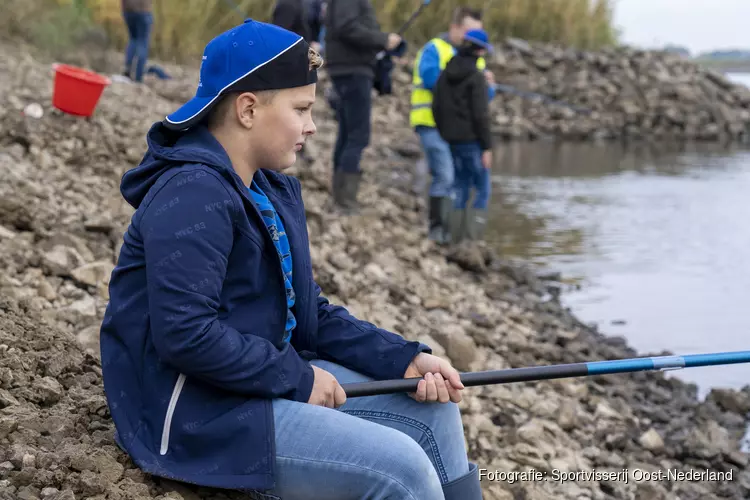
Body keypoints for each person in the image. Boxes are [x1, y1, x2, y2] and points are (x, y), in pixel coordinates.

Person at [100, 18, 482, 500]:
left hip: (250, 382)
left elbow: (310, 313)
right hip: (193, 412)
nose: (312, 125)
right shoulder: (193, 191)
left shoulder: (265, 187)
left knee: (434, 408)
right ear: (248, 109)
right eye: (301, 108)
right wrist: (298, 379)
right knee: (402, 470)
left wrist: (403, 358)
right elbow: (186, 335)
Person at [410, 7, 496, 244]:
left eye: (477, 32)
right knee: (446, 176)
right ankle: (439, 231)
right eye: (469, 30)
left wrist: (488, 86)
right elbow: (432, 82)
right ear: (455, 27)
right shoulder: (434, 49)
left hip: (458, 132)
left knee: (458, 180)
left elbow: (480, 99)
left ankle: (454, 235)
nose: (471, 36)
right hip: (429, 124)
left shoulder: (475, 61)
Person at [324, 0, 403, 214]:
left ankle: (339, 196)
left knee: (347, 132)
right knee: (358, 135)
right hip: (352, 71)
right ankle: (345, 202)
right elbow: (347, 28)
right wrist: (383, 39)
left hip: (348, 69)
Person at [432, 29, 494, 244]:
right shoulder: (476, 77)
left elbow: (436, 106)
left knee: (459, 187)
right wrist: (487, 147)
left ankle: (454, 240)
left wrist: (445, 133)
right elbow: (481, 115)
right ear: (480, 50)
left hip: (451, 140)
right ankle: (472, 242)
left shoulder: (445, 72)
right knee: (482, 188)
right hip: (473, 142)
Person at [121, 0, 153, 83]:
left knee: (133, 39)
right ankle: (138, 76)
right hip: (143, 9)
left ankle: (128, 69)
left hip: (128, 10)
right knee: (142, 42)